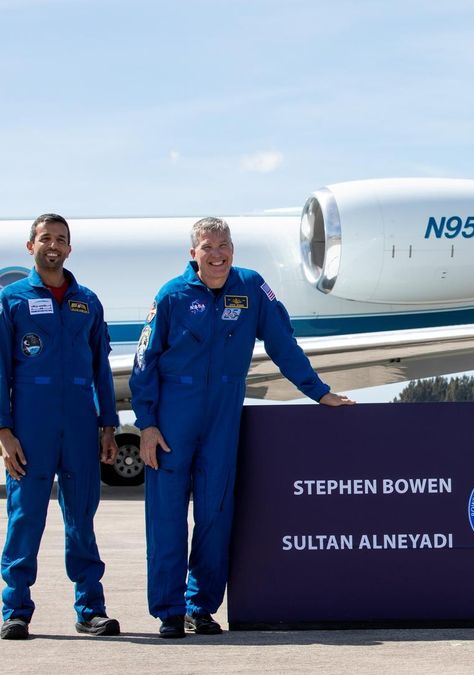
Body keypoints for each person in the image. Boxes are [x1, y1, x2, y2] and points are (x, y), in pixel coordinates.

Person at [130, 216, 354, 639]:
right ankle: (169, 611)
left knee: (216, 512)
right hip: (173, 416)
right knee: (167, 517)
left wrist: (317, 391)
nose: (218, 255)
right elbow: (145, 361)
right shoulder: (172, 295)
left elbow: (282, 342)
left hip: (223, 413)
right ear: (192, 253)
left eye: (224, 245)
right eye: (208, 247)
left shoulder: (251, 288)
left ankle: (201, 606)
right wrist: (147, 423)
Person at [0, 213, 122, 640]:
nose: (54, 245)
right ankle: (16, 611)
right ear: (31, 246)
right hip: (31, 425)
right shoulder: (11, 300)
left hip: (82, 423)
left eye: (61, 239)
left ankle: (90, 609)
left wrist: (108, 425)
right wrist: (3, 431)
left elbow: (101, 366)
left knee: (81, 517)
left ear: (69, 248)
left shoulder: (88, 301)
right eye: (46, 238)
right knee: (26, 516)